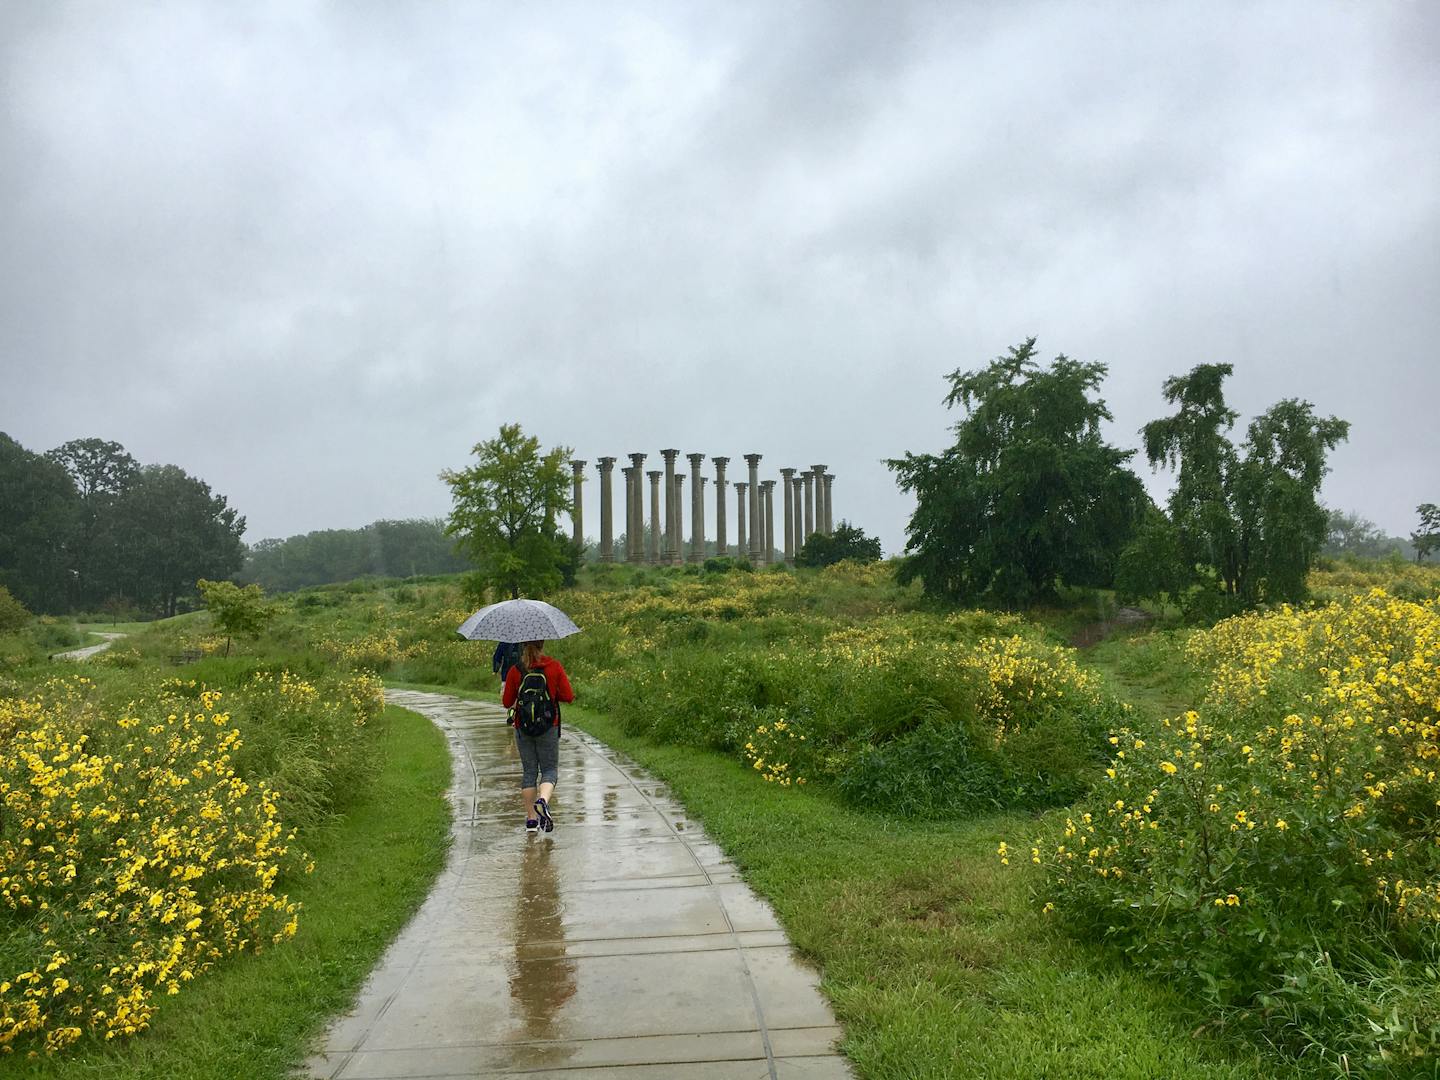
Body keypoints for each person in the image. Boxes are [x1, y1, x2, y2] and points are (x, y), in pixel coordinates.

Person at [501, 639, 575, 834]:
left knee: (529, 772)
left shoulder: (515, 670)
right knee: (549, 770)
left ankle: (531, 821)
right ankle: (543, 800)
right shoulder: (553, 666)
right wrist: (551, 694)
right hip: (549, 726)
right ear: (543, 643)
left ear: (523, 645)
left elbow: (507, 702)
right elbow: (568, 696)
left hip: (523, 727)